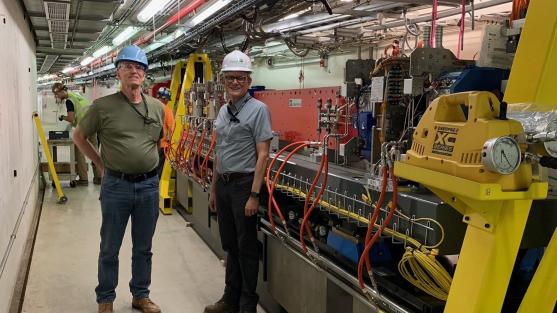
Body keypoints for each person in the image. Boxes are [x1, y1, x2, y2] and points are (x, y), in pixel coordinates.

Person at [72, 45, 164, 313]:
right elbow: (79, 137)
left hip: (148, 186)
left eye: (139, 67)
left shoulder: (157, 107)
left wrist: (147, 165)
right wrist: (100, 164)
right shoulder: (102, 107)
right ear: (118, 72)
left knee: (144, 247)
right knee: (110, 246)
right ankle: (105, 299)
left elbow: (156, 142)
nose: (134, 71)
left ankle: (140, 295)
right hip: (117, 186)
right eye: (128, 66)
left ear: (144, 74)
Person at [205, 50, 273, 313]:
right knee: (230, 244)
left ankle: (247, 304)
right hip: (223, 184)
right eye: (231, 77)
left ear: (248, 80)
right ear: (224, 80)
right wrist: (213, 189)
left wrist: (254, 195)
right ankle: (229, 299)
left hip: (245, 184)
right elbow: (219, 152)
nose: (235, 82)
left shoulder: (259, 111)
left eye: (241, 78)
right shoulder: (222, 111)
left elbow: (263, 155)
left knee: (245, 247)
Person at [51, 82, 102, 185]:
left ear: (61, 92)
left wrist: (62, 117)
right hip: (94, 124)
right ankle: (99, 178)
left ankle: (83, 179)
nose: (57, 97)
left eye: (57, 94)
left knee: (79, 152)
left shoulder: (69, 100)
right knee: (95, 151)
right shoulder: (77, 95)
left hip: (84, 126)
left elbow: (70, 118)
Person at [156, 87, 175, 177]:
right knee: (159, 172)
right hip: (163, 146)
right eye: (167, 99)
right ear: (165, 98)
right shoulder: (167, 110)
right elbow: (172, 128)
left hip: (151, 146)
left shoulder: (151, 107)